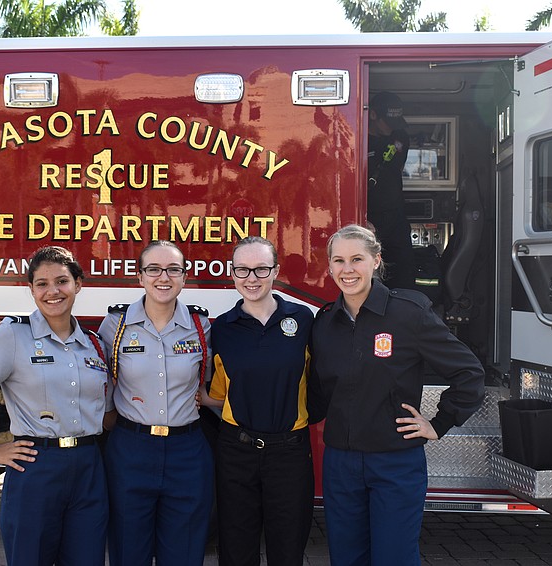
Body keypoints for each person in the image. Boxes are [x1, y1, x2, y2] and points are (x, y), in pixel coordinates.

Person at [308, 224, 485, 566]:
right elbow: (316, 391)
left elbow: (469, 372)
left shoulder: (409, 314)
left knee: (394, 558)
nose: (348, 270)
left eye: (357, 259)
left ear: (376, 261)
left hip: (394, 463)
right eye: (339, 261)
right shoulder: (325, 323)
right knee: (346, 558)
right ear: (329, 267)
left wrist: (440, 422)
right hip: (341, 463)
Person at [0, 246, 111, 566]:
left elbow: (107, 409)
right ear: (30, 289)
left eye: (62, 281)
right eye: (42, 284)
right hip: (36, 465)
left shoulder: (93, 343)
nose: (52, 291)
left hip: (89, 465)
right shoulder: (13, 335)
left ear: (78, 284)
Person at [98, 240, 213, 566]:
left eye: (173, 269)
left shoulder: (200, 326)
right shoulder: (116, 326)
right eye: (154, 269)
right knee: (127, 549)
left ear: (184, 276)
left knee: (185, 551)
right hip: (130, 450)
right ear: (140, 276)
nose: (164, 277)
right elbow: (101, 378)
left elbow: (209, 380)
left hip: (187, 452)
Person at [204, 236, 314, 566]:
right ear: (232, 273)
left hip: (290, 452)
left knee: (288, 549)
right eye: (243, 270)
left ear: (276, 271)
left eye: (261, 269)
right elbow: (219, 391)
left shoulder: (304, 319)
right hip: (236, 451)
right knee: (236, 551)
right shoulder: (222, 328)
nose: (251, 278)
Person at [367, 91, 416, 290]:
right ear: (372, 115)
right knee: (370, 277)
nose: (392, 127)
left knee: (404, 276)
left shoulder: (401, 137)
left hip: (396, 217)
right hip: (368, 219)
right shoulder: (356, 139)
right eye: (387, 121)